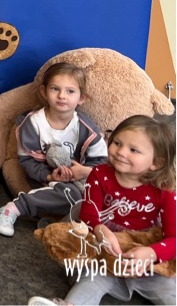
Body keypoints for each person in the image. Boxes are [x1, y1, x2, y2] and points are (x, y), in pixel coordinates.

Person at [29, 115, 175, 306]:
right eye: (117, 143)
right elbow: (88, 216)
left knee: (169, 289)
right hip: (103, 253)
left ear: (156, 162)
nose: (120, 152)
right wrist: (100, 230)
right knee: (91, 279)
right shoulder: (99, 175)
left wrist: (151, 253)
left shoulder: (164, 190)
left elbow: (174, 238)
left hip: (145, 258)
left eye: (133, 150)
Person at [0, 62, 108, 237]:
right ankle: (14, 208)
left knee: (96, 198)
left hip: (80, 178)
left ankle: (60, 222)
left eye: (70, 91)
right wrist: (49, 176)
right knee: (72, 195)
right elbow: (27, 160)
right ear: (44, 92)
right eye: (55, 89)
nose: (62, 96)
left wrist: (84, 171)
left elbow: (102, 162)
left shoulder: (86, 128)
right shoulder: (33, 124)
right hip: (44, 176)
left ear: (81, 98)